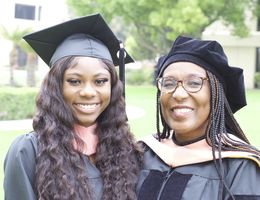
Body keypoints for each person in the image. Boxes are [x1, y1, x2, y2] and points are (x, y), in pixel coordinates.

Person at [4, 14, 142, 200]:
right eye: (74, 81)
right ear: (57, 86)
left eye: (100, 81)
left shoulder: (125, 151)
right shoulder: (29, 151)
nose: (88, 92)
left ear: (113, 87)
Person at [137, 36, 260, 200]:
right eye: (169, 83)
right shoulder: (142, 152)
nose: (178, 94)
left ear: (216, 95)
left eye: (194, 83)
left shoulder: (240, 167)